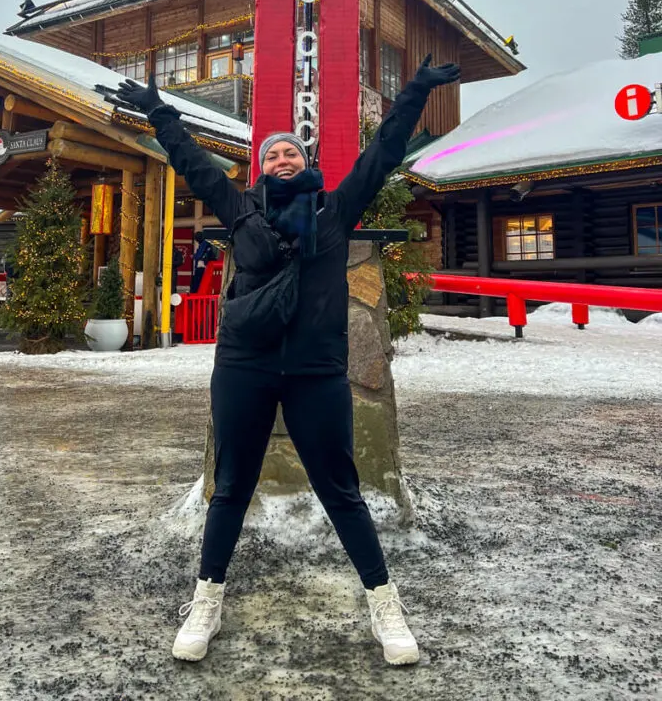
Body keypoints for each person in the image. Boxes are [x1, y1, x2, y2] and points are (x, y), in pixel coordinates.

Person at [101, 53, 460, 667]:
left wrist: (418, 92)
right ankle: (207, 599)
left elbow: (383, 152)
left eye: (291, 152)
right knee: (232, 487)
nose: (282, 159)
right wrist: (161, 113)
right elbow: (191, 162)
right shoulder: (240, 211)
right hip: (246, 365)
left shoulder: (335, 213)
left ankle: (384, 603)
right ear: (258, 168)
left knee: (340, 490)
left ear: (307, 161)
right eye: (272, 154)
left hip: (318, 371)